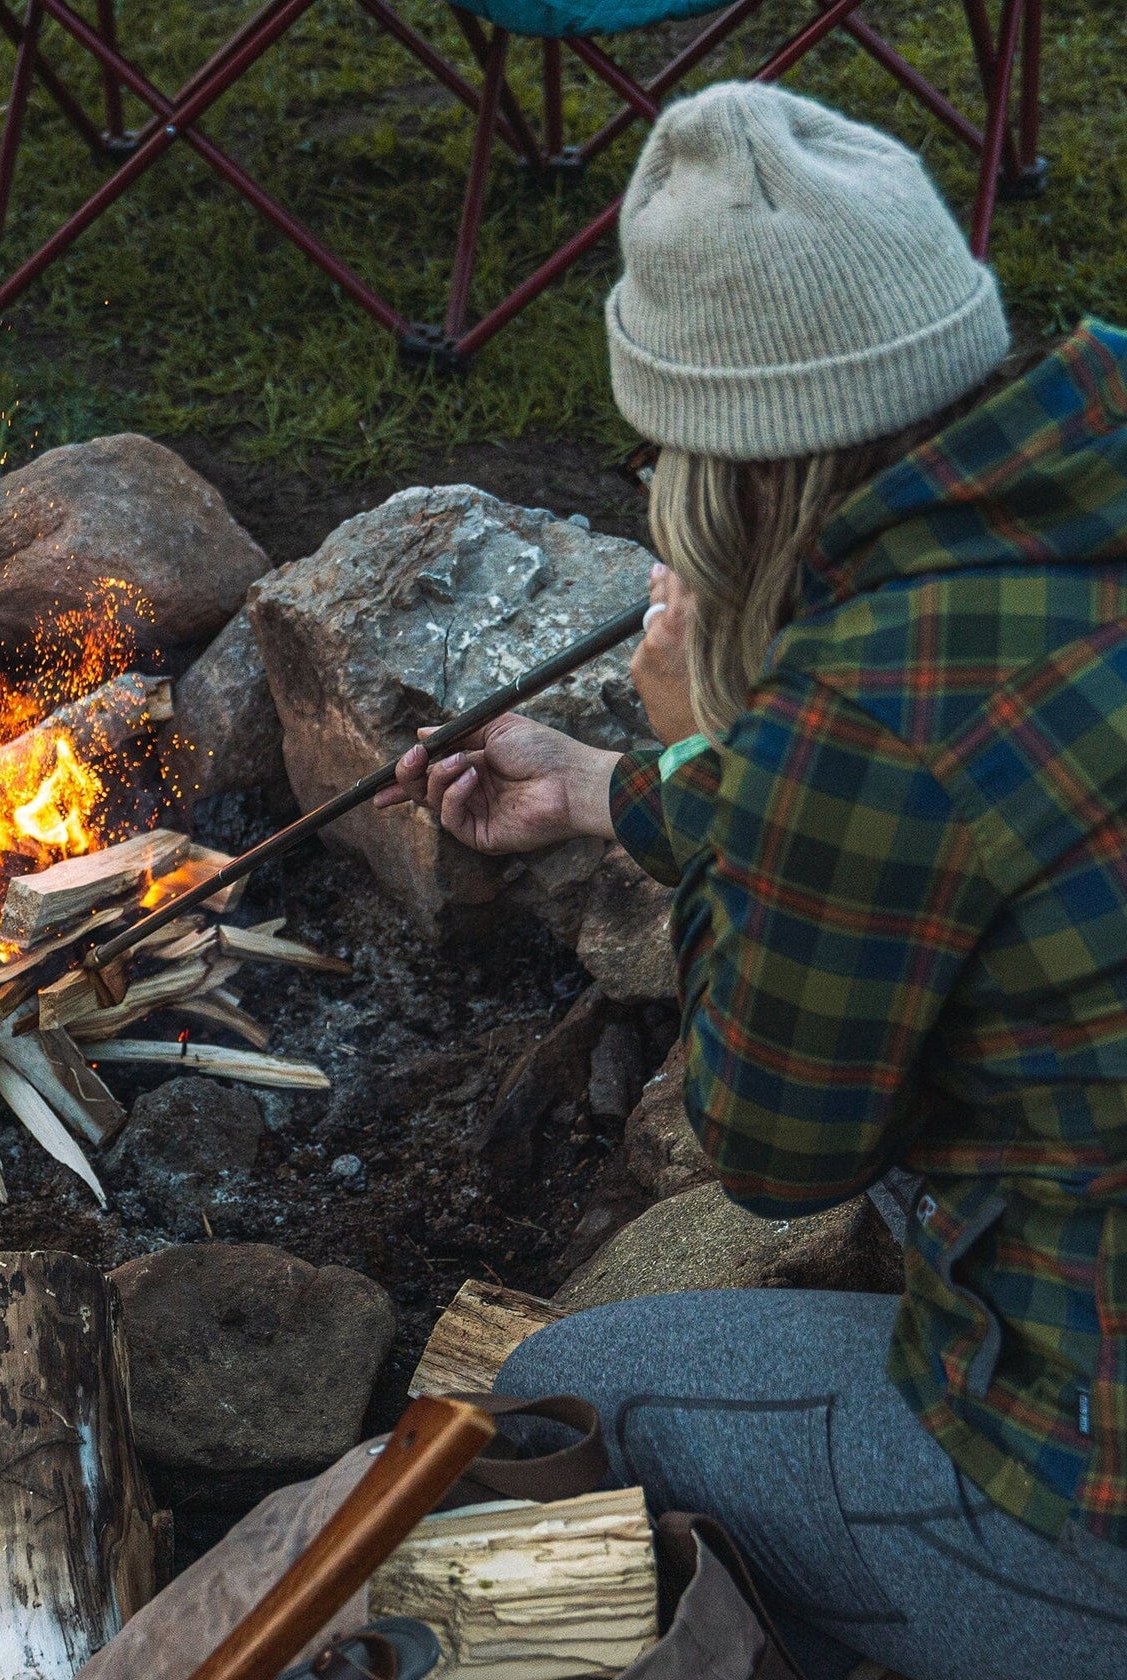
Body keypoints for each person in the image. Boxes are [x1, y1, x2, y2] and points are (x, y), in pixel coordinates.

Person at [378, 82, 1127, 1680]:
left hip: (1085, 1500)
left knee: (554, 1408)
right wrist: (621, 791)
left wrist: (716, 727)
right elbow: (999, 762)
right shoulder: (1087, 473)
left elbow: (776, 1146)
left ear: (741, 466)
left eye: (661, 445)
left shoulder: (847, 720)